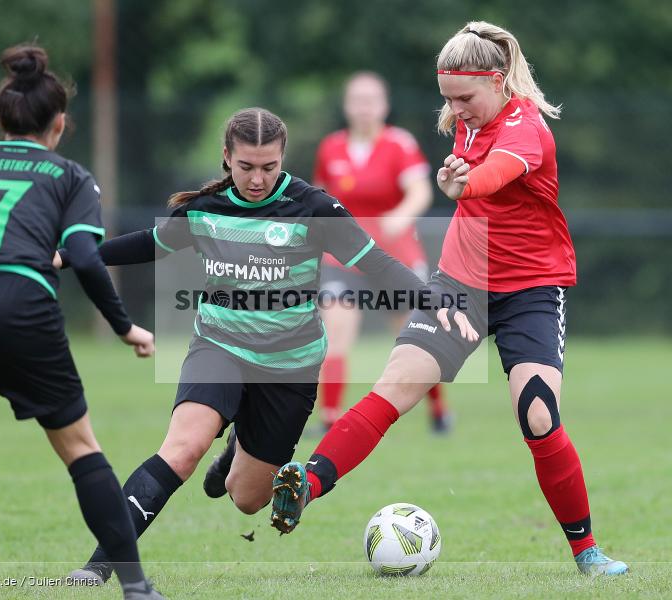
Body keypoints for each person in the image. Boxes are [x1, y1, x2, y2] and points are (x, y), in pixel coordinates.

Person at [270, 21, 629, 576]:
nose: (455, 109)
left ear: (499, 79)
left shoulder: (526, 129)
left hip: (532, 288)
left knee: (537, 414)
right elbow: (469, 166)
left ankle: (588, 552)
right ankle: (305, 485)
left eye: (465, 97)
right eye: (447, 98)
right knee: (394, 385)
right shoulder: (468, 118)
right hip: (461, 281)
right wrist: (456, 175)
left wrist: (464, 183)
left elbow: (496, 174)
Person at [62, 107, 475, 585]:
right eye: (245, 167)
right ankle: (97, 567)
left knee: (247, 499)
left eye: (268, 167)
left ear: (282, 159)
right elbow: (148, 244)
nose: (257, 179)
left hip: (290, 368)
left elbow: (378, 264)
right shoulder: (206, 211)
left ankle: (237, 440)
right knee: (183, 448)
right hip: (220, 346)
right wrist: (68, 256)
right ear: (226, 158)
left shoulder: (314, 208)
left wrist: (433, 299)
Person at [0, 44, 165, 600]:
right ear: (59, 123)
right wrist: (124, 327)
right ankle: (136, 589)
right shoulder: (69, 176)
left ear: (1, 118)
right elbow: (86, 258)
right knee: (79, 446)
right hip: (21, 302)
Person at [313, 71, 451, 433]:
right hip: (344, 258)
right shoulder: (331, 148)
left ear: (385, 105)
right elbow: (320, 198)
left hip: (394, 257)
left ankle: (438, 411)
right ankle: (329, 419)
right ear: (346, 105)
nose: (364, 108)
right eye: (357, 100)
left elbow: (420, 191)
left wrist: (398, 218)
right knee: (336, 330)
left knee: (415, 339)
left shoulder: (399, 144)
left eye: (371, 100)